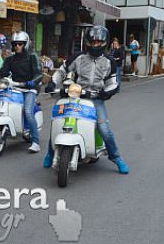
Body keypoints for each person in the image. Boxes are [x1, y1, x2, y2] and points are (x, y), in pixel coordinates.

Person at [45, 25, 129, 174]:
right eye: (92, 42)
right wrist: (52, 82)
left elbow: (113, 83)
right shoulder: (78, 57)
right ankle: (51, 153)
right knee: (57, 120)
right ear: (88, 42)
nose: (95, 45)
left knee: (104, 129)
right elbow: (62, 71)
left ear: (104, 42)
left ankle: (116, 157)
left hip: (95, 98)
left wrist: (106, 93)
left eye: (98, 42)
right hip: (75, 95)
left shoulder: (109, 62)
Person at [0, 31, 43, 152]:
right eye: (15, 44)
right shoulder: (10, 59)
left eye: (20, 44)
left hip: (29, 88)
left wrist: (33, 82)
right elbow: (2, 73)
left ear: (25, 44)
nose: (17, 46)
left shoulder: (32, 57)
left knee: (27, 110)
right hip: (15, 87)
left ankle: (36, 142)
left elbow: (39, 73)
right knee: (3, 104)